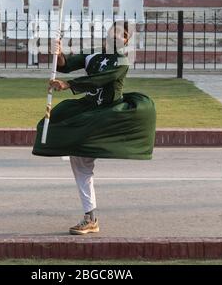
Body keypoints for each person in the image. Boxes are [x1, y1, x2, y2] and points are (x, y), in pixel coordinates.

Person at [32, 21, 156, 235]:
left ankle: (90, 217)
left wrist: (69, 84)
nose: (118, 35)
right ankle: (90, 217)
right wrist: (59, 53)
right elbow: (66, 64)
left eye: (123, 34)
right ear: (108, 32)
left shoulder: (122, 61)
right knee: (71, 150)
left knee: (81, 162)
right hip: (87, 109)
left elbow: (98, 80)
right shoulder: (93, 56)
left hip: (106, 115)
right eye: (115, 30)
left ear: (126, 41)